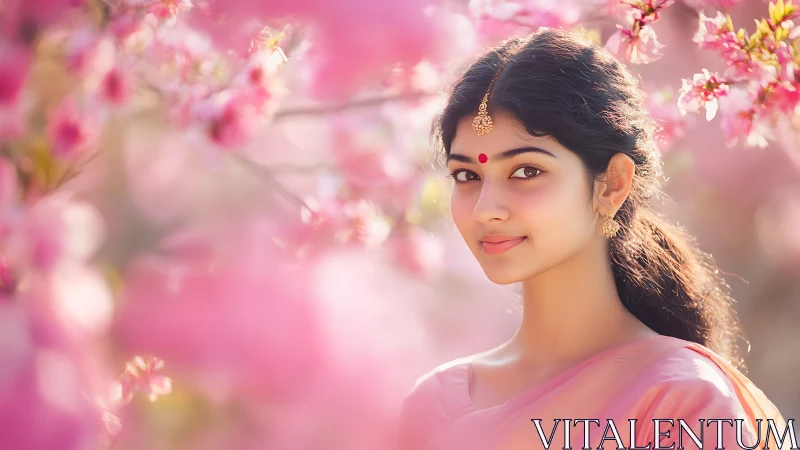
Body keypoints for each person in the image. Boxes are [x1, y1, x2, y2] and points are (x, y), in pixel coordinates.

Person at [397, 28, 788, 450]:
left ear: (612, 184)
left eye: (526, 171)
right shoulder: (432, 404)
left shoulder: (680, 400)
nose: (485, 209)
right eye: (467, 175)